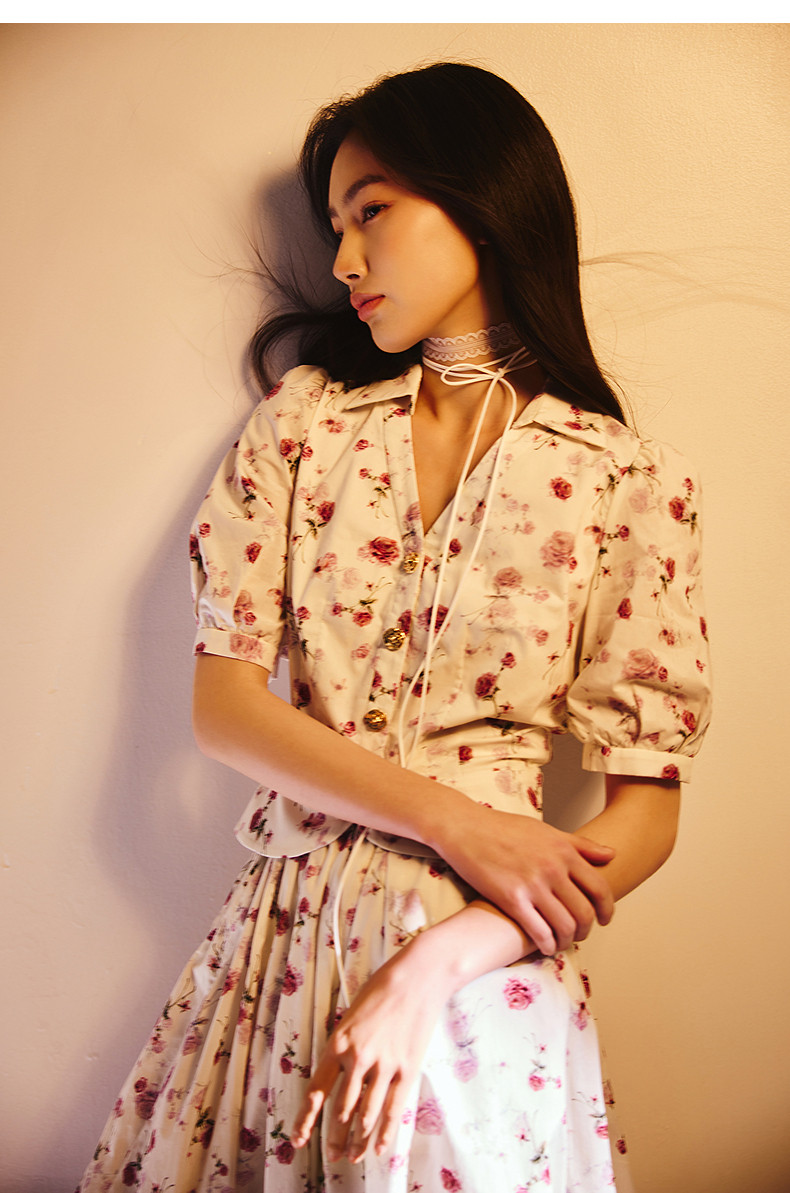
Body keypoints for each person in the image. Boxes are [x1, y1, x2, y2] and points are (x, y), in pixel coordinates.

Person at [78, 62, 712, 1192]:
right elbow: (224, 709)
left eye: (371, 211)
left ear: (483, 200)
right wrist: (461, 823)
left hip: (489, 955)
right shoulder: (306, 425)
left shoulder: (624, 477)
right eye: (335, 227)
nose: (344, 261)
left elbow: (646, 811)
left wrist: (442, 958)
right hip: (282, 944)